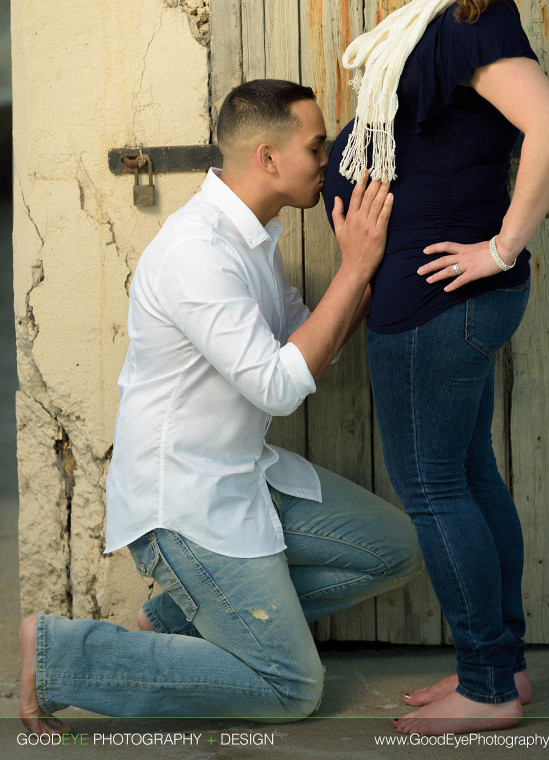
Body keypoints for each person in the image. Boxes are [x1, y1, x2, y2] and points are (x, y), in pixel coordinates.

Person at [20, 79, 422, 733]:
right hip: (183, 501)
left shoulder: (253, 239)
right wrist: (352, 270)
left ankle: (176, 614)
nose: (328, 160)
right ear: (267, 157)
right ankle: (60, 654)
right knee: (290, 688)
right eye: (316, 146)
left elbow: (312, 344)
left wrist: (376, 271)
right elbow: (277, 387)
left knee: (395, 548)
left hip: (244, 474)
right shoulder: (197, 253)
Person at [322, 0, 549, 737]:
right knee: (466, 478)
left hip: (438, 300)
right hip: (436, 299)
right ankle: (498, 668)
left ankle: (487, 686)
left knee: (433, 488)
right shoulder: (443, 20)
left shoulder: (475, 23)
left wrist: (500, 248)